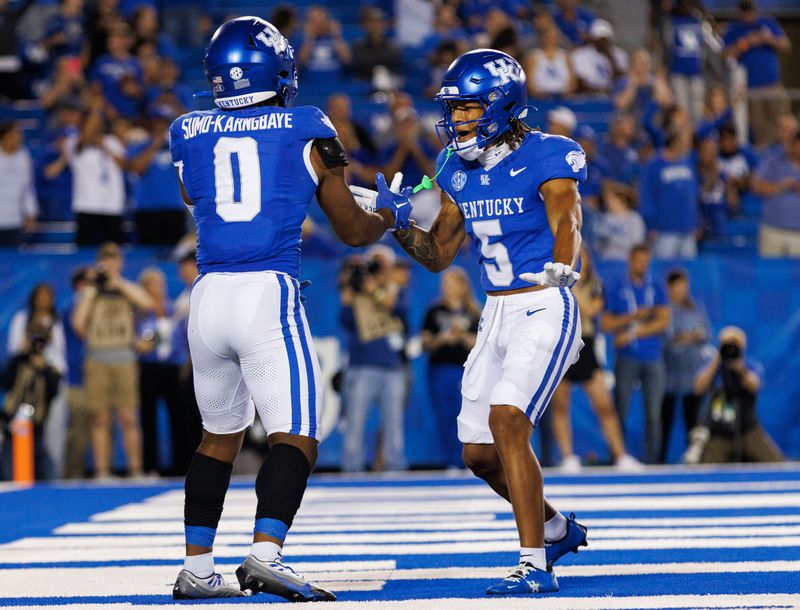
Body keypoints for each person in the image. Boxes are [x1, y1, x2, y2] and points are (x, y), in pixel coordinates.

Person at [168, 17, 411, 601]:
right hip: (264, 291)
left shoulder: (186, 129)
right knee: (298, 434)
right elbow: (351, 231)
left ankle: (197, 571)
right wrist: (394, 212)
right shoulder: (307, 123)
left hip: (206, 297)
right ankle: (264, 555)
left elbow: (196, 194)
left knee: (217, 438)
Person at [353, 48, 589, 596]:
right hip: (496, 312)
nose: (458, 120)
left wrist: (564, 258)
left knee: (509, 419)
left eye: (467, 109)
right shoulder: (455, 168)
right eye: (454, 110)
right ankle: (554, 528)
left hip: (544, 300)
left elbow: (567, 215)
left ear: (503, 105)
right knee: (479, 453)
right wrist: (394, 224)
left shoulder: (549, 155)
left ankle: (534, 568)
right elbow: (438, 255)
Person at [549, 248, 642, 472]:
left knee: (605, 406)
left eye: (583, 257)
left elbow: (590, 310)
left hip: (586, 345)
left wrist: (569, 287)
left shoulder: (595, 286)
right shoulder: (552, 284)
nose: (579, 261)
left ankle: (621, 456)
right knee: (560, 406)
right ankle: (568, 457)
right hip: (561, 345)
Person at [71, 242, 155, 479]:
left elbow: (148, 304)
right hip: (98, 357)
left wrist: (118, 282)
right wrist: (92, 289)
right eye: (105, 259)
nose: (109, 263)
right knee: (100, 417)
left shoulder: (125, 287)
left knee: (128, 416)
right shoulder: (91, 291)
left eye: (114, 259)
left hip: (124, 357)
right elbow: (78, 323)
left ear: (119, 262)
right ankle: (101, 471)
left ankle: (135, 470)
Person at [339, 250, 408, 473]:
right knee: (356, 422)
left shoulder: (396, 291)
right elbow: (346, 321)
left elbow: (402, 312)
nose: (380, 270)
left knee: (393, 424)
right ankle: (352, 468)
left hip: (392, 366)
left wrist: (374, 291)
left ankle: (395, 466)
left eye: (383, 264)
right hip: (362, 365)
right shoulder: (356, 292)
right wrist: (348, 295)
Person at [600, 244, 670, 464]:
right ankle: (617, 457)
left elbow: (663, 321)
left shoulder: (656, 286)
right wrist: (633, 317)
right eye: (640, 260)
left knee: (653, 413)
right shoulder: (617, 286)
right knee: (620, 409)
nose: (643, 265)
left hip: (652, 356)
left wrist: (631, 334)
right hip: (627, 357)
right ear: (630, 259)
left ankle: (653, 461)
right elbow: (606, 322)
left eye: (647, 261)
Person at [690, 326, 783, 463]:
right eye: (727, 344)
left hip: (748, 429)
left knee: (776, 464)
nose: (731, 348)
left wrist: (740, 368)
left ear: (742, 347)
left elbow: (754, 385)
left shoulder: (751, 366)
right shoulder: (713, 368)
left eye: (735, 344)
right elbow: (698, 388)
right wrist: (717, 359)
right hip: (719, 432)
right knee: (707, 470)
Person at [421, 267, 480, 469]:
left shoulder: (473, 312)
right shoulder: (435, 310)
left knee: (466, 416)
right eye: (444, 283)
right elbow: (425, 342)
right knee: (445, 415)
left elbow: (482, 343)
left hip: (466, 369)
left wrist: (462, 336)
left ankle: (470, 460)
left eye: (451, 283)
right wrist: (442, 338)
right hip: (440, 368)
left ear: (463, 286)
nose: (446, 287)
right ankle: (451, 461)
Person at [135, 267, 184, 476]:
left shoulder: (175, 310)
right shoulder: (140, 313)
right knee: (148, 418)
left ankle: (181, 465)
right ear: (144, 288)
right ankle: (150, 467)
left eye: (161, 283)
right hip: (149, 367)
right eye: (154, 284)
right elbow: (138, 341)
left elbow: (182, 340)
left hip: (172, 368)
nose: (159, 288)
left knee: (179, 417)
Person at [722, 0, 791, 147]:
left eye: (751, 10)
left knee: (784, 123)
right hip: (751, 89)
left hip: (773, 85)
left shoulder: (768, 22)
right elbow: (724, 55)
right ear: (739, 12)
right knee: (761, 130)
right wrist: (745, 43)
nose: (749, 15)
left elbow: (786, 46)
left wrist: (767, 39)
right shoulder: (734, 29)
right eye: (745, 11)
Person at [661, 268, 709, 463]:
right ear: (669, 288)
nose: (681, 291)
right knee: (665, 421)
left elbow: (705, 334)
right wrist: (690, 336)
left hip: (692, 374)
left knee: (693, 420)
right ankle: (658, 459)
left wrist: (685, 338)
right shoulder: (664, 309)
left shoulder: (695, 308)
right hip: (669, 375)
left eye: (684, 286)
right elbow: (669, 341)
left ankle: (695, 459)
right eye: (677, 287)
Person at [128, 104, 187, 245]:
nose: (160, 126)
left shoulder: (179, 146)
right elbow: (136, 169)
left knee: (173, 255)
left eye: (164, 123)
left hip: (174, 207)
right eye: (156, 122)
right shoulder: (139, 146)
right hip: (147, 208)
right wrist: (155, 145)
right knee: (146, 253)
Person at [640, 128, 700, 260]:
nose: (687, 145)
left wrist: (695, 222)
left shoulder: (688, 162)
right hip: (664, 231)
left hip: (687, 230)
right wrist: (651, 225)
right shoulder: (654, 165)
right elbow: (647, 196)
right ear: (674, 143)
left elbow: (693, 195)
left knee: (687, 273)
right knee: (665, 271)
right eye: (684, 142)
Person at [752, 132, 800, 257]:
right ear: (793, 145)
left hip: (798, 234)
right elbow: (756, 187)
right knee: (769, 272)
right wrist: (782, 186)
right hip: (773, 231)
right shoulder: (773, 162)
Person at [63, 268, 90, 479]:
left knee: (95, 427)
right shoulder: (72, 306)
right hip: (76, 378)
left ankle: (81, 474)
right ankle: (71, 476)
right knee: (77, 431)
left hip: (92, 375)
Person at [0, 121, 38, 246]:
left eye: (19, 134)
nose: (19, 137)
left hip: (15, 220)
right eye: (15, 134)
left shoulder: (23, 156)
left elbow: (28, 188)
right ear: (4, 137)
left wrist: (31, 213)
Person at [570, 19, 627, 95]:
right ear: (593, 39)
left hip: (613, 95)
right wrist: (600, 92)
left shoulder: (620, 55)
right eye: (600, 39)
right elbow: (580, 83)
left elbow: (621, 80)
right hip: (589, 96)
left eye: (605, 39)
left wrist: (610, 58)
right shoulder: (580, 55)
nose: (603, 43)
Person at [525, 24, 575, 99]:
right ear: (542, 38)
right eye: (548, 36)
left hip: (562, 97)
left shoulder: (565, 56)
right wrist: (538, 95)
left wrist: (566, 94)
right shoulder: (534, 56)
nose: (551, 39)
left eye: (554, 36)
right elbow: (529, 81)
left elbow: (573, 81)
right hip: (540, 97)